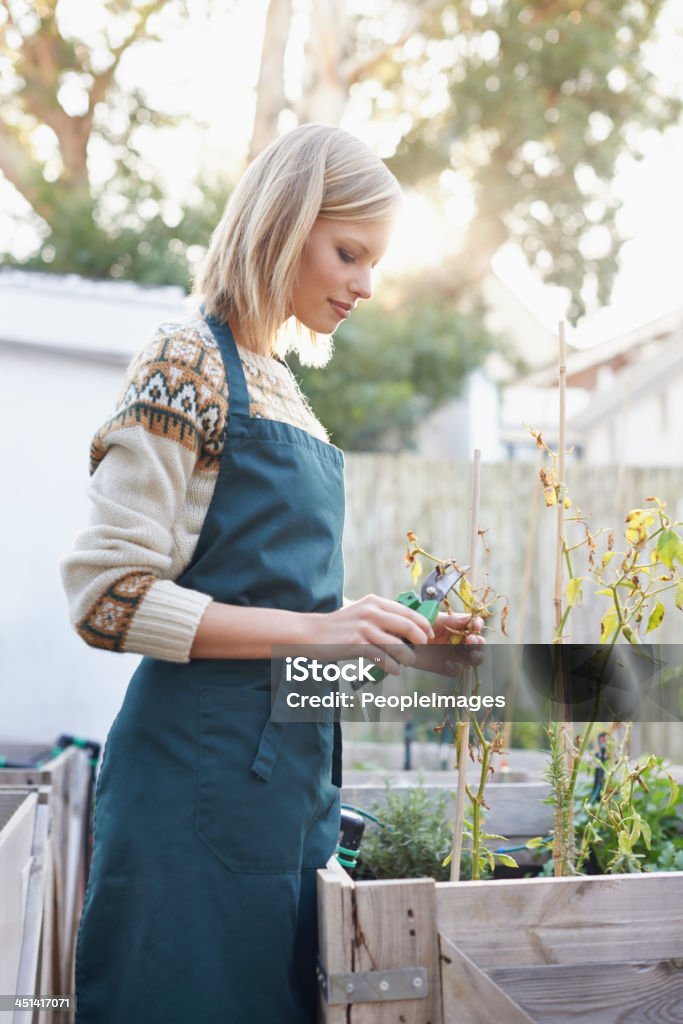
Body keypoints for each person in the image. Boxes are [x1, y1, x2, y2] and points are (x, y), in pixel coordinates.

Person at [60, 123, 483, 1024]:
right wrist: (321, 627)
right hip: (191, 795)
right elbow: (106, 598)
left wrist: (397, 640)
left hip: (287, 792)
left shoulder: (285, 389)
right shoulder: (186, 363)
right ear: (283, 225)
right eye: (348, 252)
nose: (365, 285)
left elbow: (286, 626)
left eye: (375, 263)